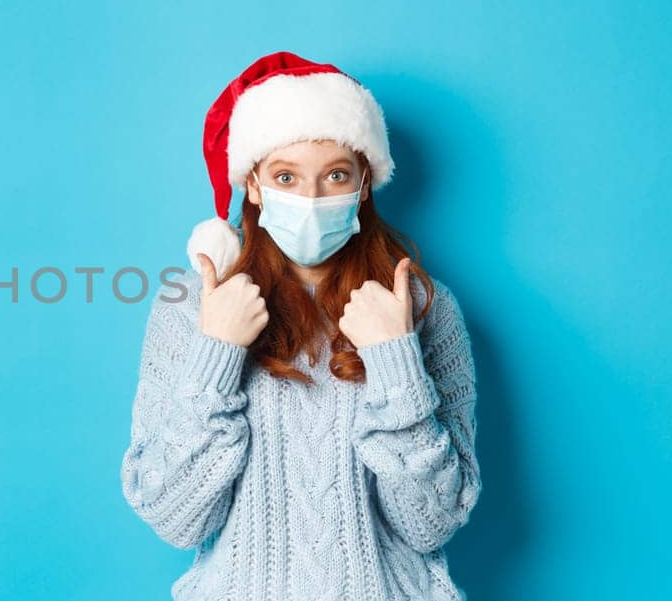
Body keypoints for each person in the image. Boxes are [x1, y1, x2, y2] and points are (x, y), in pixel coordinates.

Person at [119, 51, 482, 601]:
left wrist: (395, 358)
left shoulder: (424, 307)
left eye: (335, 174)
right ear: (255, 186)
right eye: (286, 176)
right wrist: (216, 352)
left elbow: (430, 523)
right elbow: (174, 519)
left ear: (364, 184)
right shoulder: (191, 305)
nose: (311, 200)